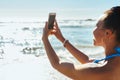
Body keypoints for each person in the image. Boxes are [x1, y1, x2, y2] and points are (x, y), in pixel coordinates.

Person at [42, 6, 120, 80]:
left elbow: (57, 64)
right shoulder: (114, 61)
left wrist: (45, 38)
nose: (93, 30)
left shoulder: (100, 70)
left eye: (97, 26)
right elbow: (87, 60)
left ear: (107, 33)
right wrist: (62, 39)